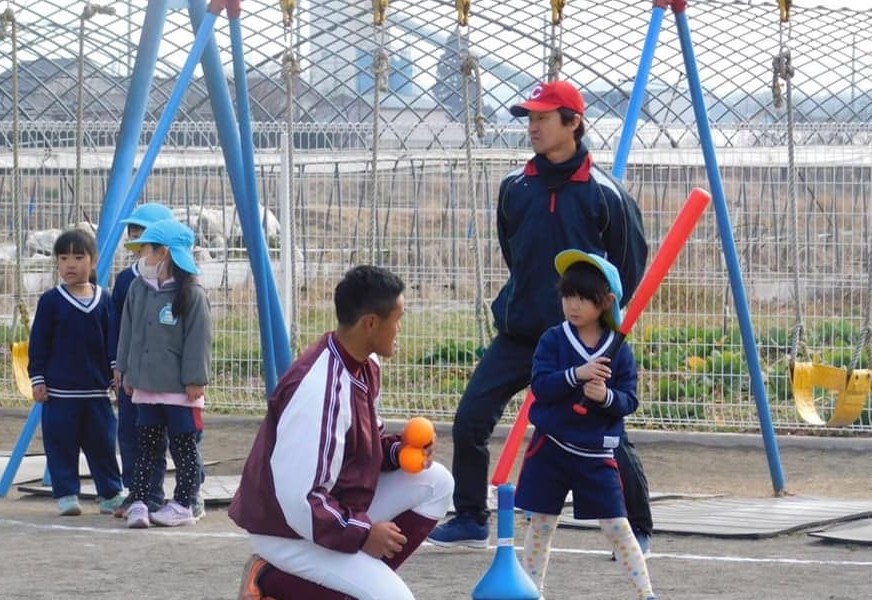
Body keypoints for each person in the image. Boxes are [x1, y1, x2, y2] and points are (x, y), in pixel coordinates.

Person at [428, 79, 655, 553]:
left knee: (607, 428)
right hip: (522, 332)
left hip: (582, 337)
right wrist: (532, 300)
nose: (532, 127)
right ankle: (470, 517)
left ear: (573, 123)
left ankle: (638, 529)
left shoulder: (605, 194)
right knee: (471, 419)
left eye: (543, 118)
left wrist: (594, 324)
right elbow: (514, 250)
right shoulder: (515, 186)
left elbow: (628, 264)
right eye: (529, 118)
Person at [229, 265, 454, 600]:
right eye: (398, 318)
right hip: (286, 530)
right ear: (371, 324)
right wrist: (363, 535)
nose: (400, 328)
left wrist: (398, 451)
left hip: (327, 514)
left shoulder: (365, 362)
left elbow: (362, 444)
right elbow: (300, 501)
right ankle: (271, 579)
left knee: (436, 483)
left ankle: (335, 583)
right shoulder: (318, 390)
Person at [516, 249, 656, 599]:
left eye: (583, 298)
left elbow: (629, 401)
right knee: (540, 525)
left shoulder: (619, 350)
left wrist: (603, 397)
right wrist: (576, 375)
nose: (573, 305)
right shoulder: (553, 339)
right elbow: (542, 387)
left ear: (607, 301)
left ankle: (645, 594)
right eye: (567, 296)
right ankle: (533, 592)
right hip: (550, 449)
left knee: (617, 526)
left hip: (596, 454)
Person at [111, 203, 207, 521]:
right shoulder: (139, 288)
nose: (142, 258)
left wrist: (196, 378)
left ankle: (184, 504)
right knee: (146, 448)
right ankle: (141, 500)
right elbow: (128, 333)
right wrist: (124, 369)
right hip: (146, 387)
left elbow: (198, 340)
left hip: (180, 391)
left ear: (164, 252)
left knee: (183, 448)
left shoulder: (191, 293)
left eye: (147, 250)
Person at [28, 228, 124, 516]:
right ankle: (67, 495)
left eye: (78, 257)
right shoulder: (51, 301)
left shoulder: (104, 299)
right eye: (64, 258)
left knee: (103, 445)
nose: (70, 264)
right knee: (61, 446)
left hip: (96, 393)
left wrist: (116, 375)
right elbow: (39, 343)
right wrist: (38, 378)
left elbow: (112, 343)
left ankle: (110, 493)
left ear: (94, 261)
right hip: (59, 394)